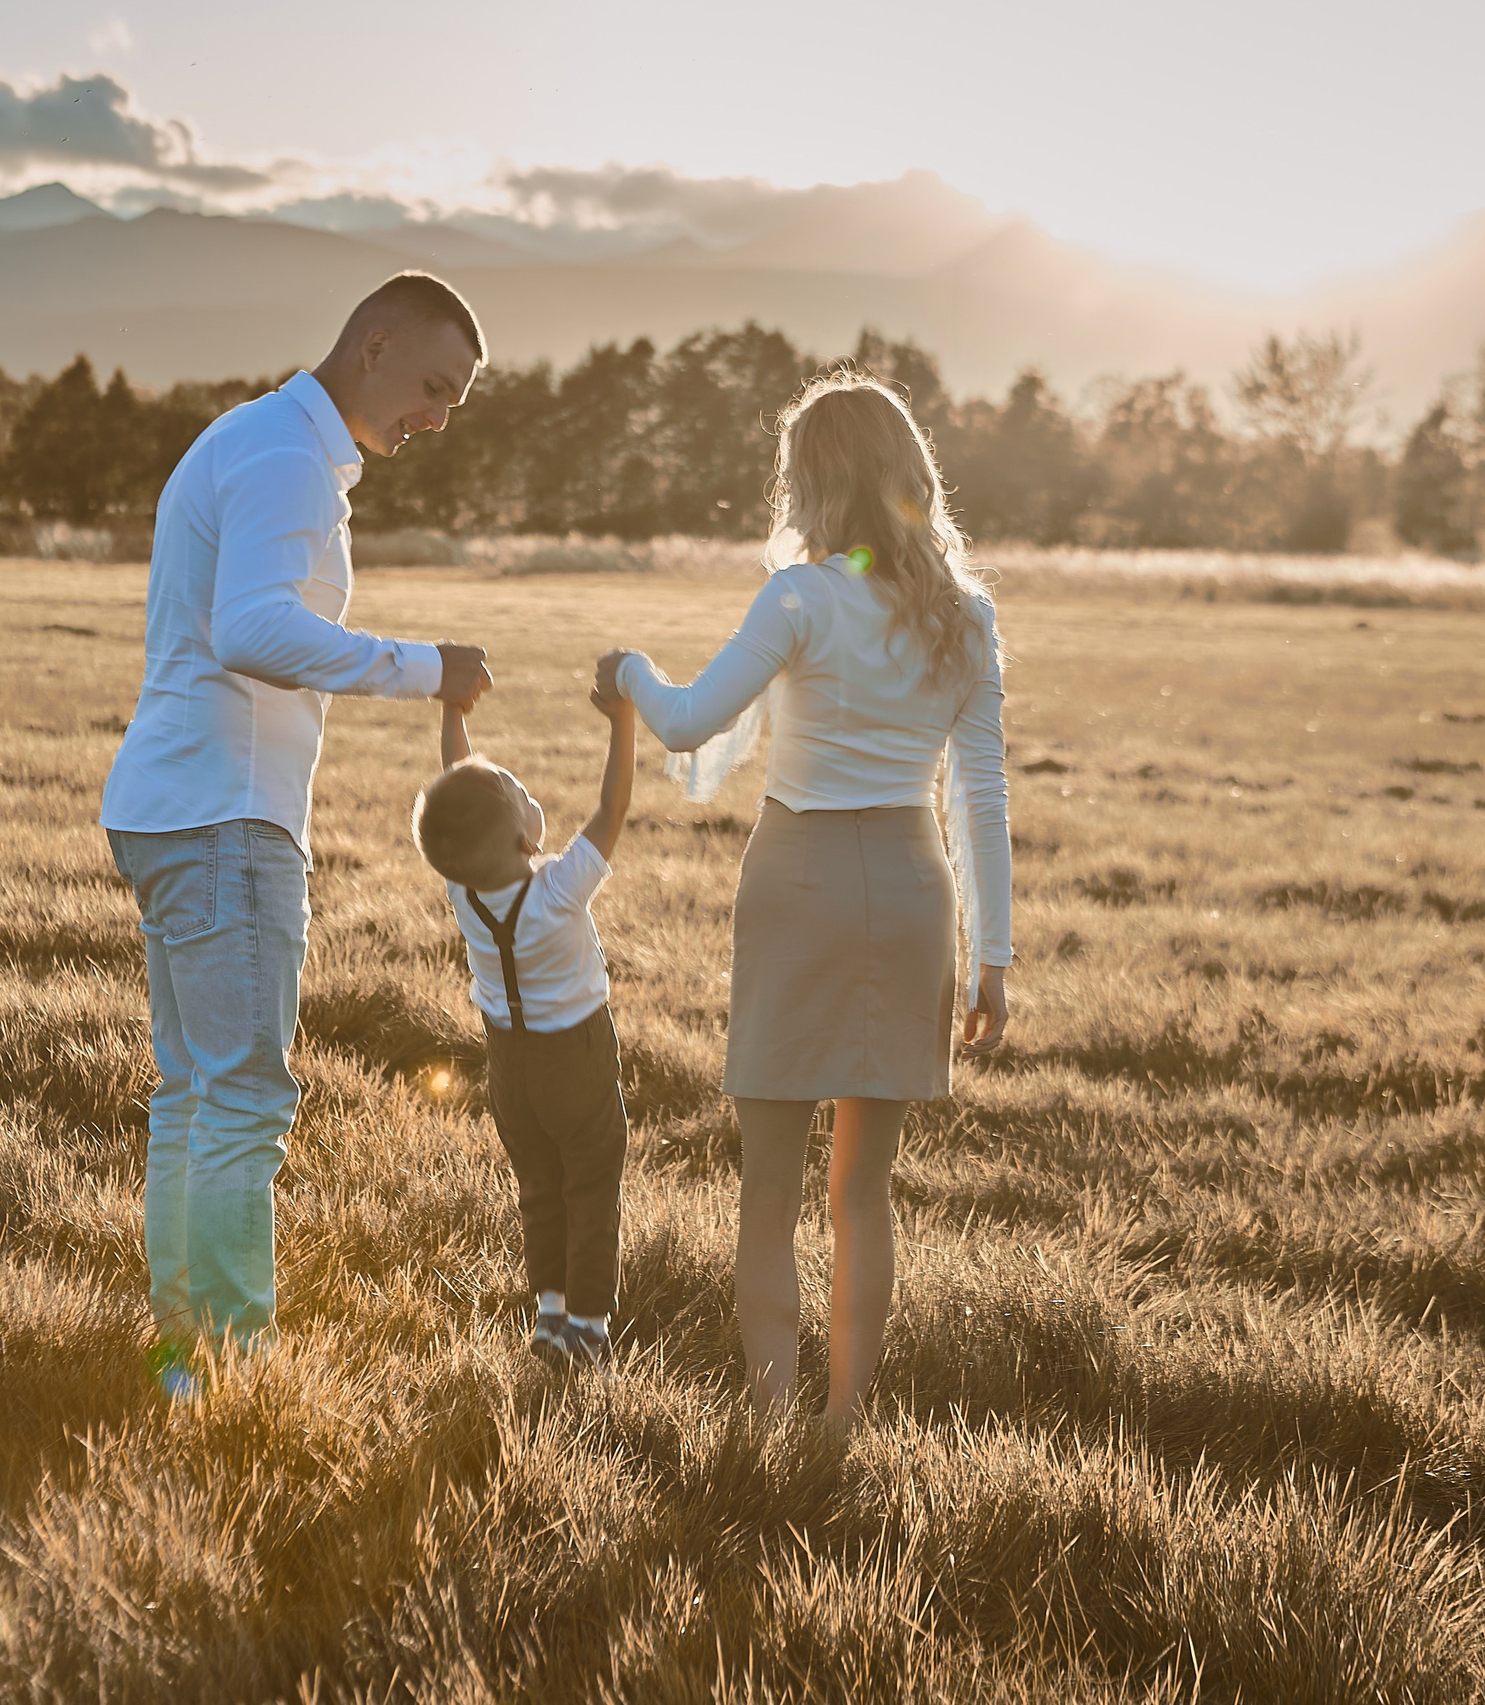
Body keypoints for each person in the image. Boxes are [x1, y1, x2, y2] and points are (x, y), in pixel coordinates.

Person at [595, 370, 1013, 1424]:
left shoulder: (799, 598)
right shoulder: (964, 618)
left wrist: (630, 672)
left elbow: (688, 723)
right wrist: (992, 956)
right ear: (908, 474)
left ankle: (774, 1417)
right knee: (862, 1192)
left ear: (807, 483)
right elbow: (980, 798)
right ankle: (842, 1422)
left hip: (797, 882)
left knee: (768, 1190)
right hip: (915, 892)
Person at [102, 272, 494, 1382]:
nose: (439, 415)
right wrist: (426, 668)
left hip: (181, 805)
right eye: (432, 384)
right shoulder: (283, 458)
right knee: (240, 1101)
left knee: (194, 1096)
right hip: (225, 817)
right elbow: (253, 628)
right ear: (370, 346)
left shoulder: (265, 441)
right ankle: (228, 1363)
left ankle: (186, 1354)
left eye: (456, 399)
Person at [411, 681, 637, 1369]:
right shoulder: (558, 888)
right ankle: (590, 1328)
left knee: (539, 1188)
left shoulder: (463, 891)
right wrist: (620, 723)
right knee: (592, 1184)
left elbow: (458, 790)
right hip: (574, 1056)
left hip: (508, 1066)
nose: (521, 785)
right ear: (522, 835)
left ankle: (549, 1315)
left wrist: (454, 715)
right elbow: (611, 808)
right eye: (515, 789)